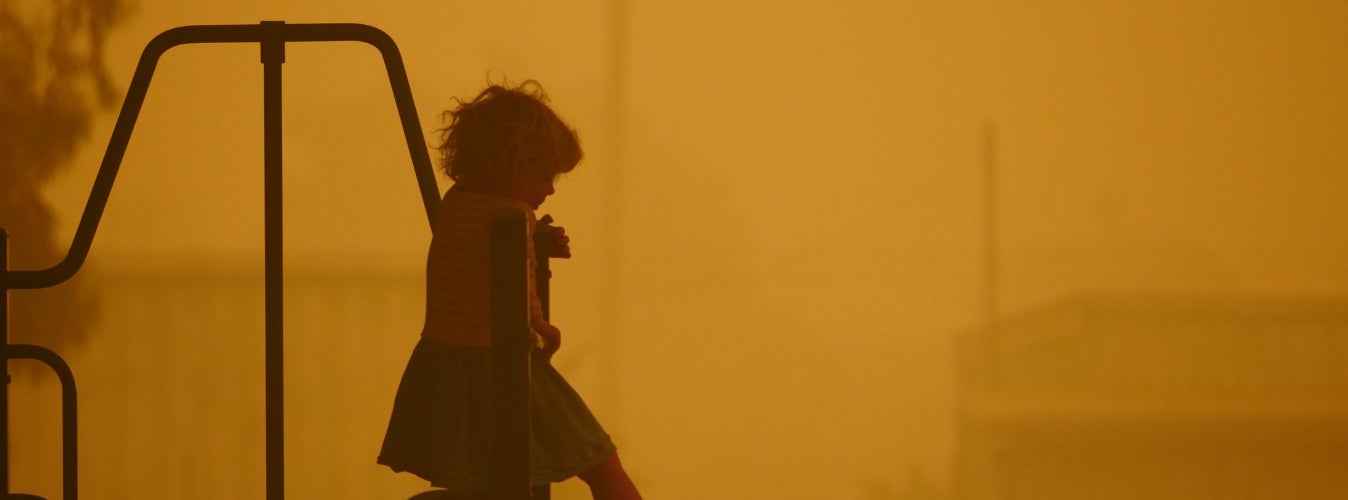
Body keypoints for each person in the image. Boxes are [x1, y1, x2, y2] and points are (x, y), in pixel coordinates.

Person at [378, 80, 642, 500]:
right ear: (510, 162)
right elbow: (514, 288)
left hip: (450, 365)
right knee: (602, 463)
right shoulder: (511, 216)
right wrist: (540, 328)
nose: (550, 188)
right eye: (544, 175)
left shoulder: (457, 203)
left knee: (498, 478)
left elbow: (479, 256)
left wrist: (534, 239)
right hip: (498, 363)